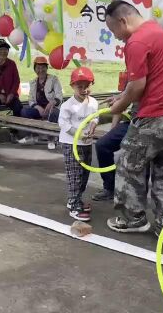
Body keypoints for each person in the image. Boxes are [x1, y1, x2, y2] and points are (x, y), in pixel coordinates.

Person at [104, 0, 163, 244]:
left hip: (158, 117)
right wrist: (122, 96)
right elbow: (149, 83)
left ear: (123, 21)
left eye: (114, 31)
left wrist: (117, 106)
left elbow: (137, 87)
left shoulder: (137, 41)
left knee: (126, 161)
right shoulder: (157, 32)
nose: (116, 37)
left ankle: (133, 219)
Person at [58, 67, 98, 222]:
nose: (83, 89)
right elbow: (63, 123)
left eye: (86, 86)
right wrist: (78, 133)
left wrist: (94, 124)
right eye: (79, 86)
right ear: (73, 86)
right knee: (74, 174)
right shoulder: (68, 105)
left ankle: (75, 199)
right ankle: (74, 207)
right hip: (70, 143)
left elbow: (95, 117)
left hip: (86, 143)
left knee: (84, 174)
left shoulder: (93, 102)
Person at [18, 56, 63, 150]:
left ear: (46, 68)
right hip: (39, 109)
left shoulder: (54, 79)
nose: (40, 70)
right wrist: (37, 107)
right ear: (35, 69)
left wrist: (52, 103)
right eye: (38, 68)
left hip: (51, 109)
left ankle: (51, 139)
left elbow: (59, 96)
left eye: (43, 67)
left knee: (55, 113)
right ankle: (32, 136)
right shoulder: (33, 82)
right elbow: (30, 100)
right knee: (24, 111)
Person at [0, 39, 22, 145]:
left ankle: (14, 132)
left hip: (10, 94)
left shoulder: (12, 64)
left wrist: (11, 94)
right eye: (1, 49)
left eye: (6, 49)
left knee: (18, 107)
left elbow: (17, 80)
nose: (3, 52)